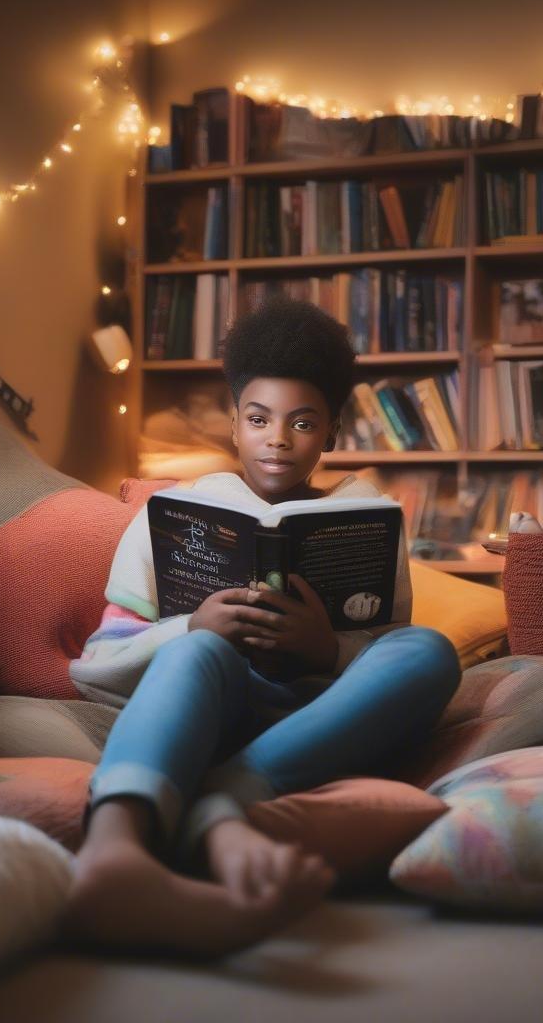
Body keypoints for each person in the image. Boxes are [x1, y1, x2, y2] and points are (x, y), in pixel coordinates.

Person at [65, 298, 461, 956]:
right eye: (259, 419)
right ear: (234, 426)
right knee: (197, 657)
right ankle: (115, 854)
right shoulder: (174, 511)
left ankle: (222, 799)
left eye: (303, 423)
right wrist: (194, 626)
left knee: (430, 651)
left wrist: (329, 649)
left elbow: (389, 652)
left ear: (332, 432)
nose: (278, 438)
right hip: (206, 703)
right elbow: (99, 658)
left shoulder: (365, 515)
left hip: (319, 716)